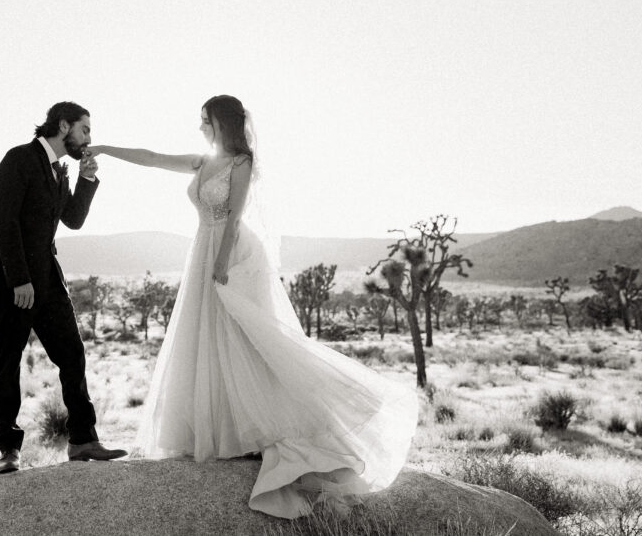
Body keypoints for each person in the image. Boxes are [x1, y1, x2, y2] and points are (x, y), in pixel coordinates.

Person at [88, 95, 417, 518]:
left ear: (221, 122)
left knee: (245, 336)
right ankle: (221, 428)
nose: (200, 127)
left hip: (232, 252)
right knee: (207, 337)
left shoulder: (240, 163)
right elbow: (151, 157)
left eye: (205, 120)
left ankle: (273, 424)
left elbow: (235, 214)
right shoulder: (202, 161)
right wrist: (104, 150)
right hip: (203, 250)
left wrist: (221, 264)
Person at [0, 101, 127, 474]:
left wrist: (87, 179)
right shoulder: (19, 159)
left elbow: (72, 219)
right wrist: (19, 280)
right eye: (85, 129)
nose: (88, 137)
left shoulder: (60, 170)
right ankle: (9, 450)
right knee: (8, 361)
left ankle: (82, 440)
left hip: (48, 277)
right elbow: (5, 223)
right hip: (14, 280)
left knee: (72, 353)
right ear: (63, 126)